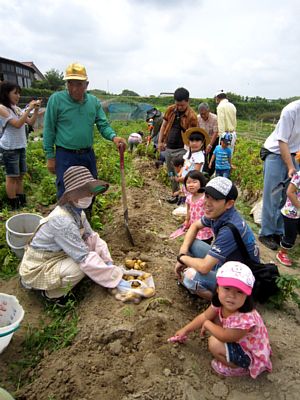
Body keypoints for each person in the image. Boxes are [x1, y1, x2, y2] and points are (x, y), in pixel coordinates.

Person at [19, 166, 124, 305]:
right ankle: (51, 295)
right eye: (83, 192)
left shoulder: (78, 212)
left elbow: (92, 237)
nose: (89, 196)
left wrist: (108, 263)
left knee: (90, 246)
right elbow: (83, 257)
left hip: (58, 254)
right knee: (79, 269)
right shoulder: (62, 220)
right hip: (39, 266)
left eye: (90, 191)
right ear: (71, 195)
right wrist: (115, 278)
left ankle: (96, 273)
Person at [170, 261, 272, 378]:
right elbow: (204, 316)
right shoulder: (220, 303)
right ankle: (231, 354)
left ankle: (239, 368)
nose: (232, 296)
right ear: (218, 288)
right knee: (214, 318)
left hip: (249, 353)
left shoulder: (245, 318)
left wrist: (208, 324)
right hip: (238, 337)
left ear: (247, 295)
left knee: (214, 343)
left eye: (239, 292)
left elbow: (224, 336)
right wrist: (185, 330)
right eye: (227, 288)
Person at [43, 63, 126, 200]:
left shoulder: (93, 102)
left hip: (87, 155)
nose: (74, 89)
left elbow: (102, 124)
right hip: (65, 155)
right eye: (70, 83)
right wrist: (50, 156)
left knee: (89, 191)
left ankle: (85, 218)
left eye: (78, 84)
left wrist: (113, 137)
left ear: (86, 85)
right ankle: (68, 221)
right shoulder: (56, 100)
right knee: (66, 192)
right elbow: (49, 129)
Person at [174, 176, 260, 300]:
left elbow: (204, 267)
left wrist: (182, 258)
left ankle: (222, 302)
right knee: (191, 243)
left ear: (229, 204)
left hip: (239, 277)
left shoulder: (229, 229)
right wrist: (183, 251)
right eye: (207, 196)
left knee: (190, 277)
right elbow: (194, 226)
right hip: (226, 262)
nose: (207, 203)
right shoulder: (219, 213)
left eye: (214, 199)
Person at [259, 100, 300, 250]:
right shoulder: (291, 110)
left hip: (296, 154)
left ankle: (278, 232)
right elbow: (282, 141)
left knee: (288, 195)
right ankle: (266, 233)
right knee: (273, 194)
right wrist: (290, 167)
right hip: (275, 153)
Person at [0, 82, 41, 209]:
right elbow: (17, 124)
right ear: (6, 94)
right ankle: (14, 205)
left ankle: (21, 201)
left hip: (21, 146)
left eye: (19, 93)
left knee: (20, 175)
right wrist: (28, 108)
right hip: (9, 148)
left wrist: (36, 109)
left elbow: (30, 122)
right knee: (12, 176)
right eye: (15, 93)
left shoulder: (15, 108)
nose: (18, 96)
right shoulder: (2, 108)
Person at [158, 88, 198, 203]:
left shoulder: (192, 116)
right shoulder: (170, 110)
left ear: (188, 101)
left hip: (182, 149)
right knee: (171, 173)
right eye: (177, 104)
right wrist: (160, 141)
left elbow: (193, 136)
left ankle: (183, 197)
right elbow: (163, 126)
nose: (179, 107)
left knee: (182, 174)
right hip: (169, 148)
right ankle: (174, 194)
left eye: (182, 105)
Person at [276, 165, 300, 266]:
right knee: (290, 235)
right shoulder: (298, 176)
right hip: (291, 212)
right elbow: (290, 192)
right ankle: (282, 253)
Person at [183, 171, 213, 243]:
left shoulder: (205, 197)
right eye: (188, 182)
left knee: (203, 246)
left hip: (205, 229)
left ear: (201, 182)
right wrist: (187, 220)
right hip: (194, 228)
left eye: (194, 182)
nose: (191, 185)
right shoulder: (189, 197)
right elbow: (188, 209)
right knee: (193, 243)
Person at [197, 102, 219, 175]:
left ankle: (210, 173)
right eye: (201, 114)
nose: (203, 115)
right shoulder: (198, 118)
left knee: (212, 156)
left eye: (204, 113)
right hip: (203, 139)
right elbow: (198, 131)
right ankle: (203, 173)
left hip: (214, 139)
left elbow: (215, 133)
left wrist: (210, 145)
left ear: (208, 111)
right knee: (203, 156)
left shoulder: (215, 118)